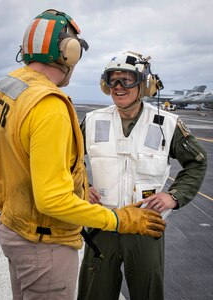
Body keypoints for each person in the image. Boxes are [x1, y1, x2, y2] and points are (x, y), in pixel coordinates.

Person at [0, 11, 166, 300]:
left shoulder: (1, 90)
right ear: (69, 53)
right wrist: (120, 219)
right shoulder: (49, 105)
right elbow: (52, 200)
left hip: (11, 228)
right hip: (43, 244)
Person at [77, 51, 207, 300]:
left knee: (147, 293)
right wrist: (83, 185)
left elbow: (197, 162)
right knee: (94, 293)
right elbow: (67, 160)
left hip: (145, 225)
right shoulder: (92, 121)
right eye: (112, 80)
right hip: (102, 222)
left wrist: (175, 196)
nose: (118, 87)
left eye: (126, 79)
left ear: (145, 84)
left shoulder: (167, 124)